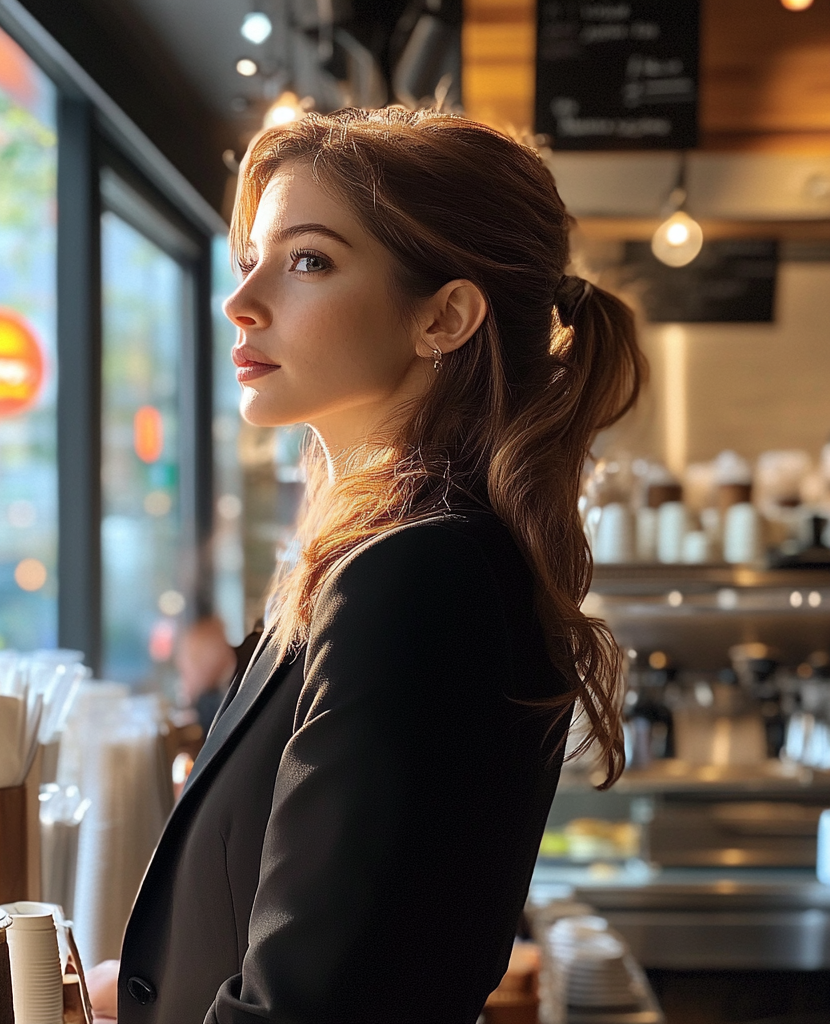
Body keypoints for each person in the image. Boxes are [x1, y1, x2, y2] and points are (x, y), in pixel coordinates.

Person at [95, 106, 645, 1024]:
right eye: (252, 260)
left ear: (444, 316)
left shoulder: (416, 578)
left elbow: (313, 1008)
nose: (244, 300)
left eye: (308, 260)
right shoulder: (377, 555)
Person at [175, 615, 238, 733]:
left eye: (186, 670)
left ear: (206, 658)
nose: (186, 678)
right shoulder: (211, 696)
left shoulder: (240, 687)